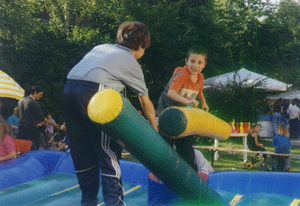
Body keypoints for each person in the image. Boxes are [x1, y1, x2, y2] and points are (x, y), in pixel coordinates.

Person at [63, 21, 158, 206]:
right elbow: (145, 102)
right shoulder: (130, 60)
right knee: (108, 150)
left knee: (81, 148)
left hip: (69, 88)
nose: (143, 53)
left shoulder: (101, 48)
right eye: (144, 49)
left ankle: (88, 200)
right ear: (139, 46)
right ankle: (114, 202)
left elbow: (120, 96)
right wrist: (155, 133)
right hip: (94, 90)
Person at [156, 45, 209, 171]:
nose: (195, 65)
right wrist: (187, 100)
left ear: (204, 65)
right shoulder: (182, 75)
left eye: (199, 62)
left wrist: (204, 103)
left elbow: (199, 92)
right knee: (166, 142)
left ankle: (190, 173)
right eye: (192, 61)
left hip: (182, 114)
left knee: (186, 145)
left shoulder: (200, 77)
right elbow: (171, 93)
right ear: (186, 61)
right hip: (167, 112)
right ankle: (163, 171)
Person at [17, 86, 61, 150]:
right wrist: (53, 124)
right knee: (33, 151)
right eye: (40, 94)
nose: (41, 96)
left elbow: (19, 115)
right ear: (35, 93)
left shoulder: (20, 101)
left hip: (21, 130)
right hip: (31, 130)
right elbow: (42, 118)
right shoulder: (34, 103)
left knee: (22, 151)